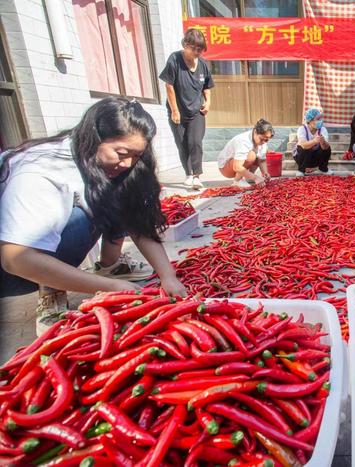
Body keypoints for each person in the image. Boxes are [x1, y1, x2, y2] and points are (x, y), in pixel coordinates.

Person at [0, 97, 188, 333]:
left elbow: (138, 222)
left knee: (124, 191)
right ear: (95, 138)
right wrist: (110, 287)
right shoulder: (42, 172)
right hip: (9, 273)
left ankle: (107, 265)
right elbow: (15, 257)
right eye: (120, 153)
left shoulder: (104, 162)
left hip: (18, 259)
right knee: (81, 217)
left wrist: (167, 276)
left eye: (136, 155)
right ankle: (50, 287)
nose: (128, 163)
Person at [159, 28, 214, 190]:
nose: (197, 52)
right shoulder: (175, 60)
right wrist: (175, 110)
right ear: (185, 45)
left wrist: (208, 102)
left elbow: (207, 86)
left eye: (200, 49)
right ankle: (188, 174)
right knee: (182, 143)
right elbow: (169, 85)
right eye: (194, 48)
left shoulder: (203, 65)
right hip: (178, 111)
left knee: (195, 142)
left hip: (197, 111)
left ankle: (196, 176)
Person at [218, 119, 274, 187]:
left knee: (257, 155)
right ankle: (237, 181)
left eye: (266, 140)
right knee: (251, 155)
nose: (264, 142)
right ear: (255, 132)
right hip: (226, 167)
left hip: (237, 165)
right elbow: (237, 167)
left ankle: (248, 177)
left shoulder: (263, 142)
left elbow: (262, 160)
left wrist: (265, 173)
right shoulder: (243, 140)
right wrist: (256, 177)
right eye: (261, 139)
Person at [294, 108, 332, 176]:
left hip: (316, 158)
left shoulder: (323, 130)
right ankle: (301, 170)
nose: (320, 121)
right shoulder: (302, 129)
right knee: (302, 147)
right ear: (310, 121)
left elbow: (325, 148)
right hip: (302, 157)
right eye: (318, 119)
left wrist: (323, 142)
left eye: (320, 119)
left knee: (328, 148)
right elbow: (303, 145)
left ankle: (323, 168)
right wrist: (314, 141)